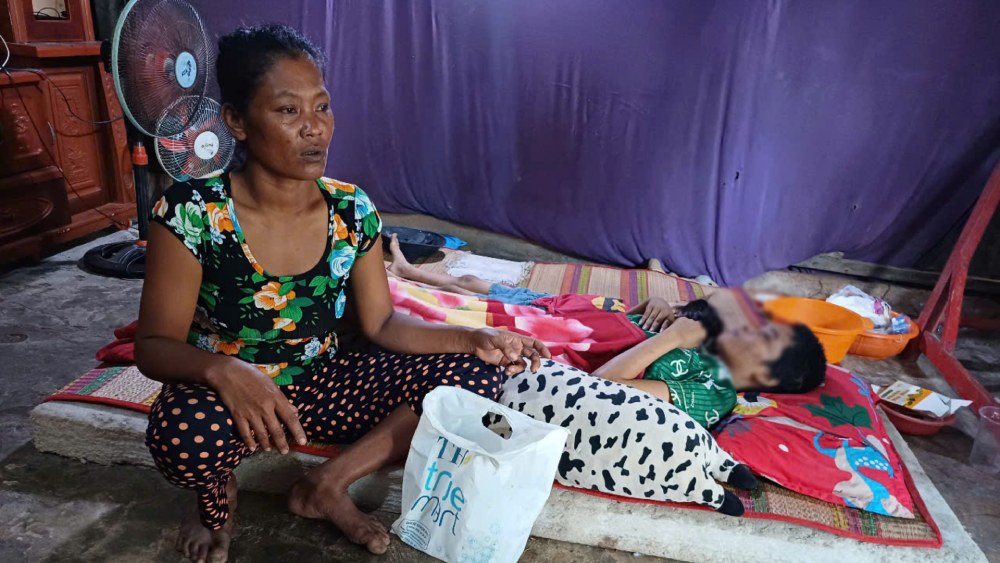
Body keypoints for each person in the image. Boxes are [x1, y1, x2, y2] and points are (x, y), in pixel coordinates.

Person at [136, 24, 549, 563]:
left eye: (322, 107)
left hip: (329, 383)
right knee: (180, 435)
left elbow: (382, 325)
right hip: (235, 402)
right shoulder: (193, 213)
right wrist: (225, 372)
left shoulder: (351, 211)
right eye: (288, 111)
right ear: (236, 121)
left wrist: (470, 336)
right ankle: (216, 499)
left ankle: (328, 484)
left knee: (476, 374)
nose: (314, 129)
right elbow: (153, 346)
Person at [387, 236, 827, 427]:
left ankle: (385, 293)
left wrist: (672, 338)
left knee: (442, 320)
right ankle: (398, 280)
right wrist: (663, 313)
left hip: (564, 351)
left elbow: (604, 389)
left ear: (768, 377)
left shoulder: (712, 391)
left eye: (763, 340)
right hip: (578, 322)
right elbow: (644, 321)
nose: (749, 331)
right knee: (467, 301)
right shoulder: (711, 342)